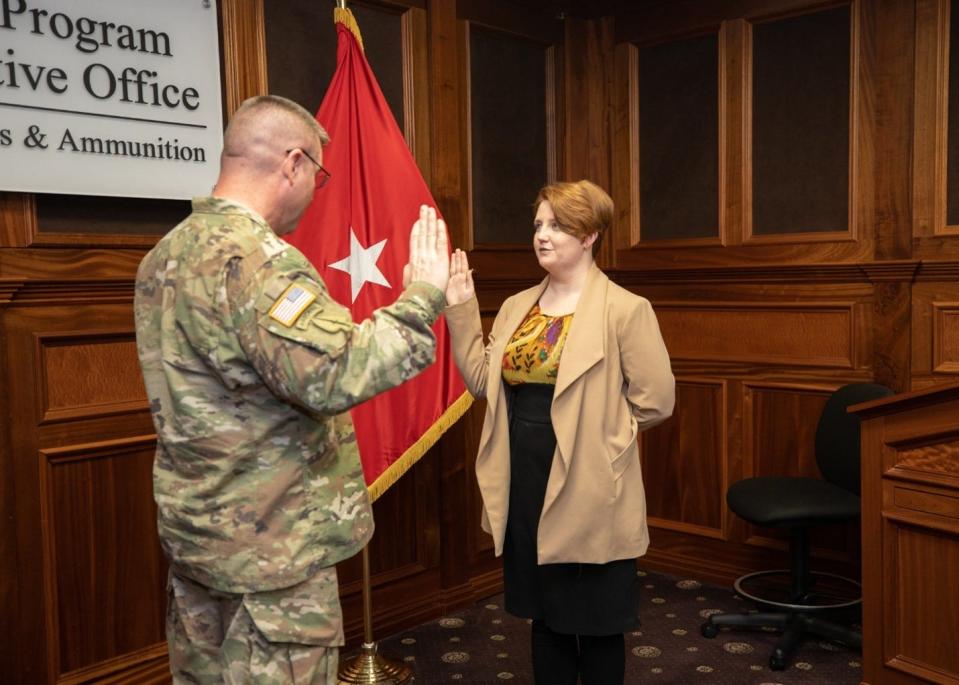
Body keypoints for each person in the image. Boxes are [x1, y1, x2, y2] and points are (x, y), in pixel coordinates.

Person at [134, 94, 450, 684]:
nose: (314, 190)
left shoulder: (163, 255)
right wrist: (422, 296)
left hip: (200, 541)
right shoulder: (260, 261)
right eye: (317, 174)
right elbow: (334, 373)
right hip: (272, 558)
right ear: (294, 163)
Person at [444, 180, 675, 684]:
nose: (542, 236)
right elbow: (484, 383)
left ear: (590, 234)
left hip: (589, 480)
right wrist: (461, 307)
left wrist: (605, 440)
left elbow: (656, 401)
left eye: (558, 226)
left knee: (595, 620)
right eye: (539, 225)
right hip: (525, 474)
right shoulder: (515, 306)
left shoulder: (625, 309)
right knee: (544, 614)